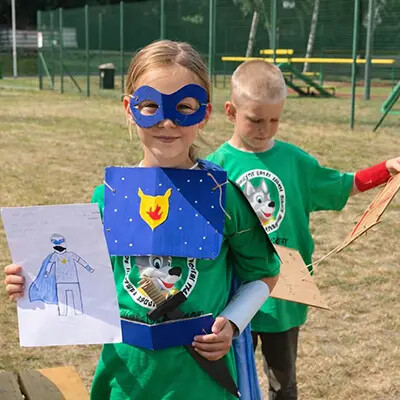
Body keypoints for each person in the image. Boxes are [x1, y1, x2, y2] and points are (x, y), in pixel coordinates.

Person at [3, 41, 280, 400]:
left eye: (184, 107)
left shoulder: (223, 197)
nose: (167, 121)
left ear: (205, 113)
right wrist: (30, 281)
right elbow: (89, 279)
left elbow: (264, 272)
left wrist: (233, 322)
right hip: (125, 380)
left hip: (199, 381)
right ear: (129, 109)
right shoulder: (107, 198)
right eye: (151, 105)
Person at [207, 59, 400, 400]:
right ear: (230, 112)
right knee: (230, 383)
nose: (265, 129)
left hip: (284, 293)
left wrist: (385, 169)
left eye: (274, 120)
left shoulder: (295, 161)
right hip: (233, 293)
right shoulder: (214, 168)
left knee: (283, 383)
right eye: (255, 120)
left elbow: (342, 185)